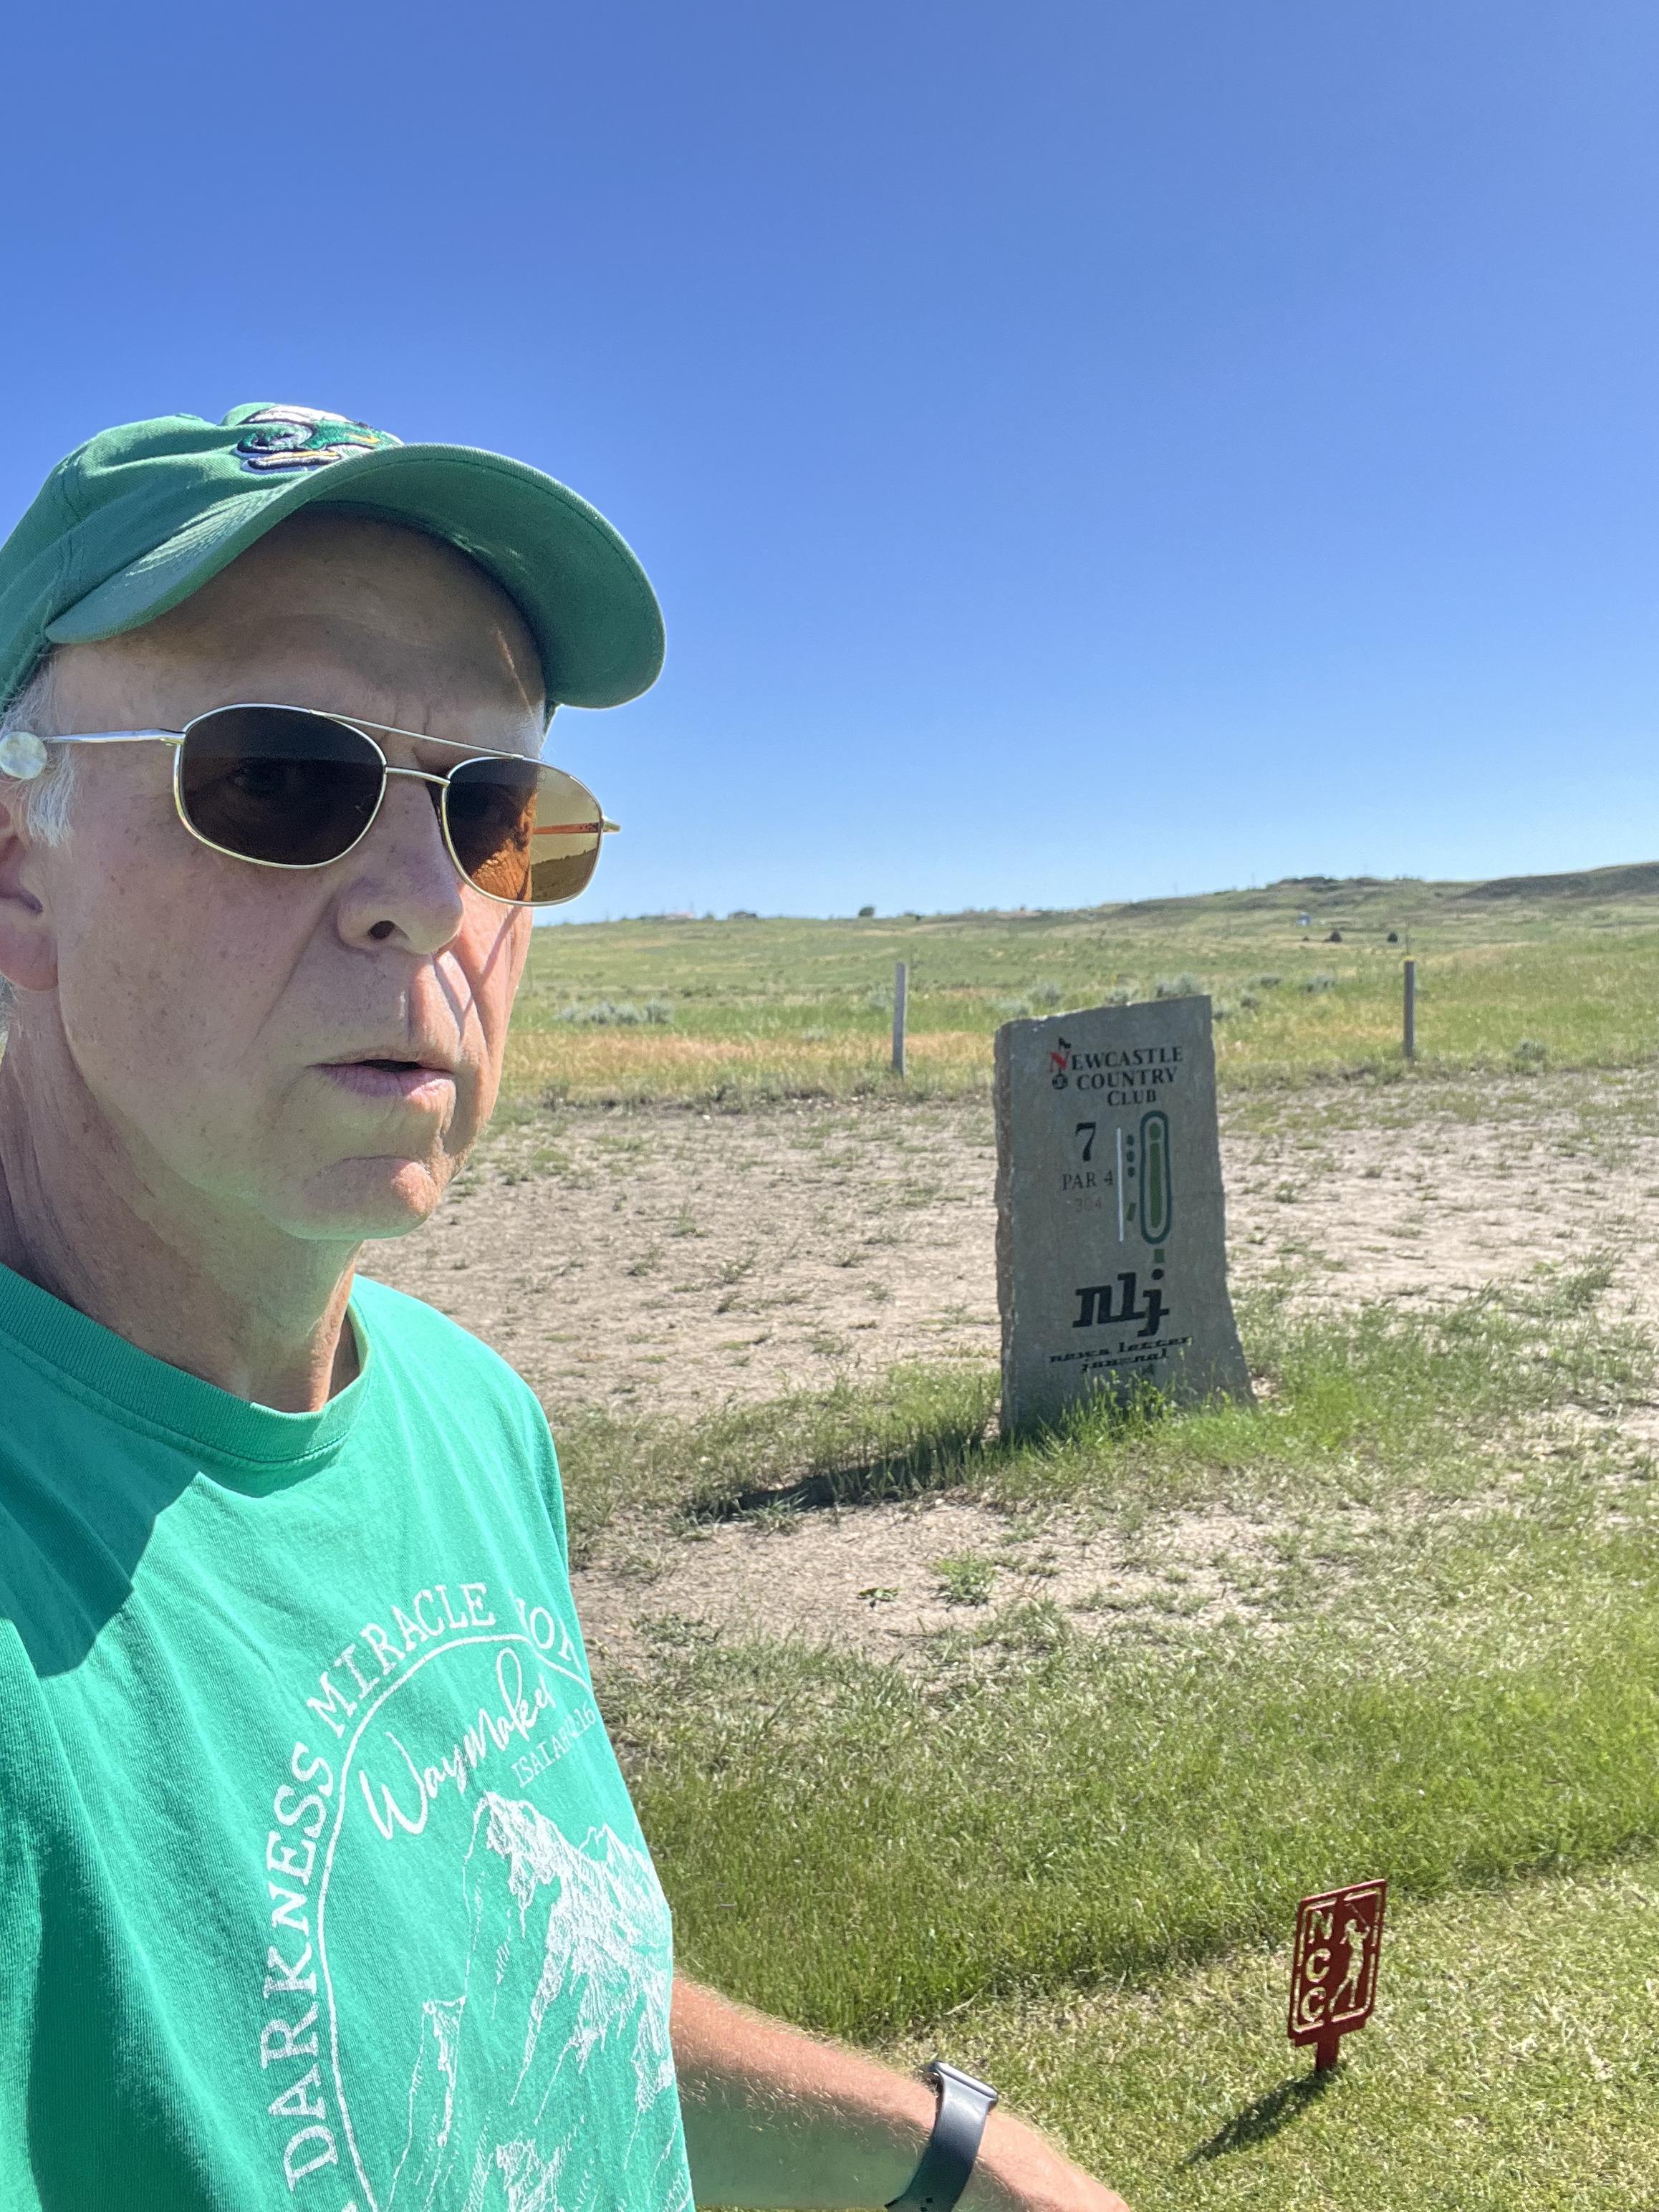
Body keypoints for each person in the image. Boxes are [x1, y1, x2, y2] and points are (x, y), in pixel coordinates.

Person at [0, 405, 1128, 2212]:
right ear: (16, 862)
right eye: (279, 777)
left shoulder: (467, 1417)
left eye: (491, 809)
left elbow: (507, 1990)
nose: (425, 897)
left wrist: (955, 2157)